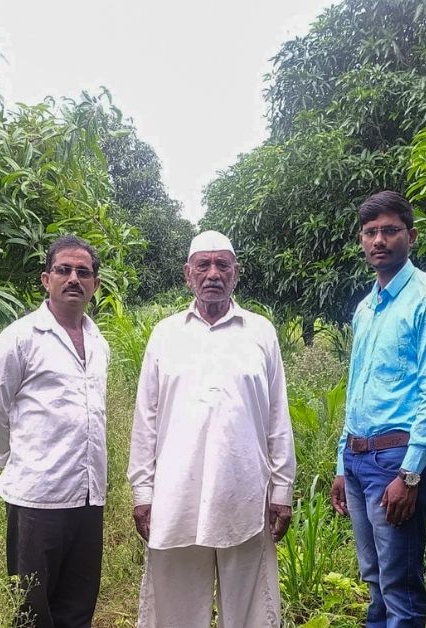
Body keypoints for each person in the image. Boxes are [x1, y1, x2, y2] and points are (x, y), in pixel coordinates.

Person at [127, 230, 295, 627]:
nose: (213, 273)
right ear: (188, 274)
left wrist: (283, 490)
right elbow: (145, 418)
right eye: (204, 265)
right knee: (175, 609)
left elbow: (277, 417)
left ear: (236, 273)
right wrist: (142, 491)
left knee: (252, 609)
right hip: (176, 496)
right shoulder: (165, 335)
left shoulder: (260, 333)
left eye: (223, 265)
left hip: (246, 495)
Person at [329, 191, 426, 627]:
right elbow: (356, 390)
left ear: (411, 236)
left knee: (400, 589)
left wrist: (410, 474)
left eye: (390, 230)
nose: (379, 241)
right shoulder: (366, 308)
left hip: (396, 461)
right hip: (358, 458)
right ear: (361, 240)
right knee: (374, 581)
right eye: (370, 233)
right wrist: (341, 461)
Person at [0, 235, 109, 628]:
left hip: (88, 496)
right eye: (64, 270)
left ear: (94, 285)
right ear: (46, 279)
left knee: (78, 604)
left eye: (83, 272)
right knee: (32, 609)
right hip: (37, 499)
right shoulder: (21, 338)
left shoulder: (99, 342)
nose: (73, 279)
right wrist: (13, 460)